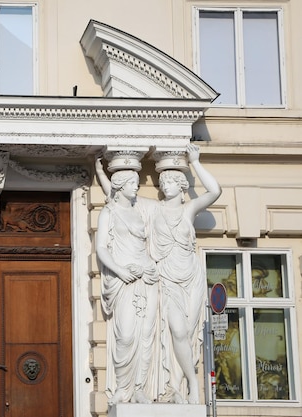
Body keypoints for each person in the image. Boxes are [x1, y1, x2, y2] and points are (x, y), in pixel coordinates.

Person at [151, 143, 221, 404]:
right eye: (163, 182)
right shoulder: (154, 210)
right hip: (167, 279)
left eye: (170, 181)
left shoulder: (188, 210)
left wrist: (195, 162)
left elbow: (215, 191)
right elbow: (120, 198)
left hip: (190, 278)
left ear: (182, 188)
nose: (165, 185)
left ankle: (182, 384)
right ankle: (190, 380)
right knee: (177, 332)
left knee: (188, 335)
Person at [95, 160, 159, 405]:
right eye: (132, 183)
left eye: (136, 182)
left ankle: (140, 388)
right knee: (126, 335)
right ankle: (123, 388)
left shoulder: (141, 209)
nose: (137, 187)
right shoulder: (109, 212)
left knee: (146, 334)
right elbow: (101, 248)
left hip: (146, 276)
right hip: (124, 279)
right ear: (120, 187)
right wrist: (120, 271)